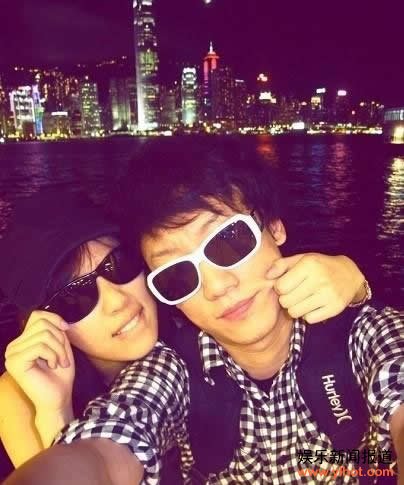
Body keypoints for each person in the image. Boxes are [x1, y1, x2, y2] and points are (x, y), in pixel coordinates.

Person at [4, 142, 401, 485]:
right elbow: (111, 439)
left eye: (228, 241)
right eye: (178, 274)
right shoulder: (168, 370)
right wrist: (54, 413)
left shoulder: (363, 335)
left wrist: (357, 282)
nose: (217, 286)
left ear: (274, 226)